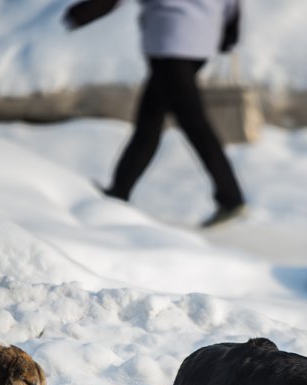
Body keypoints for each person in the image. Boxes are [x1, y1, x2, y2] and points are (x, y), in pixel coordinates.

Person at [64, 0, 247, 227]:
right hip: (200, 43)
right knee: (150, 121)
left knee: (192, 123)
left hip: (171, 43)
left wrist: (80, 14)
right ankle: (119, 192)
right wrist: (229, 37)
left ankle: (231, 197)